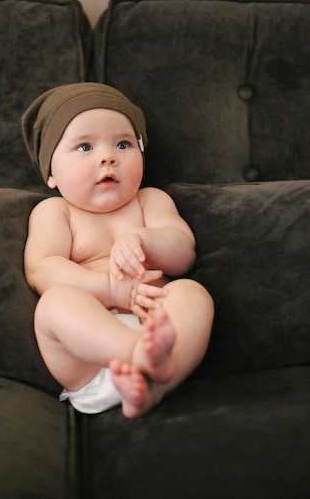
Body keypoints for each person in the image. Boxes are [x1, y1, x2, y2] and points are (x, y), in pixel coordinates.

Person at [21, 83, 214, 418]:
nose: (108, 156)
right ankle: (134, 353)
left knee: (192, 294)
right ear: (51, 172)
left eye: (123, 143)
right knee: (54, 305)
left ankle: (152, 386)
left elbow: (184, 255)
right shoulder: (56, 213)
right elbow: (42, 269)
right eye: (84, 146)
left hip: (158, 335)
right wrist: (111, 290)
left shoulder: (150, 201)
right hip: (89, 357)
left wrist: (145, 240)